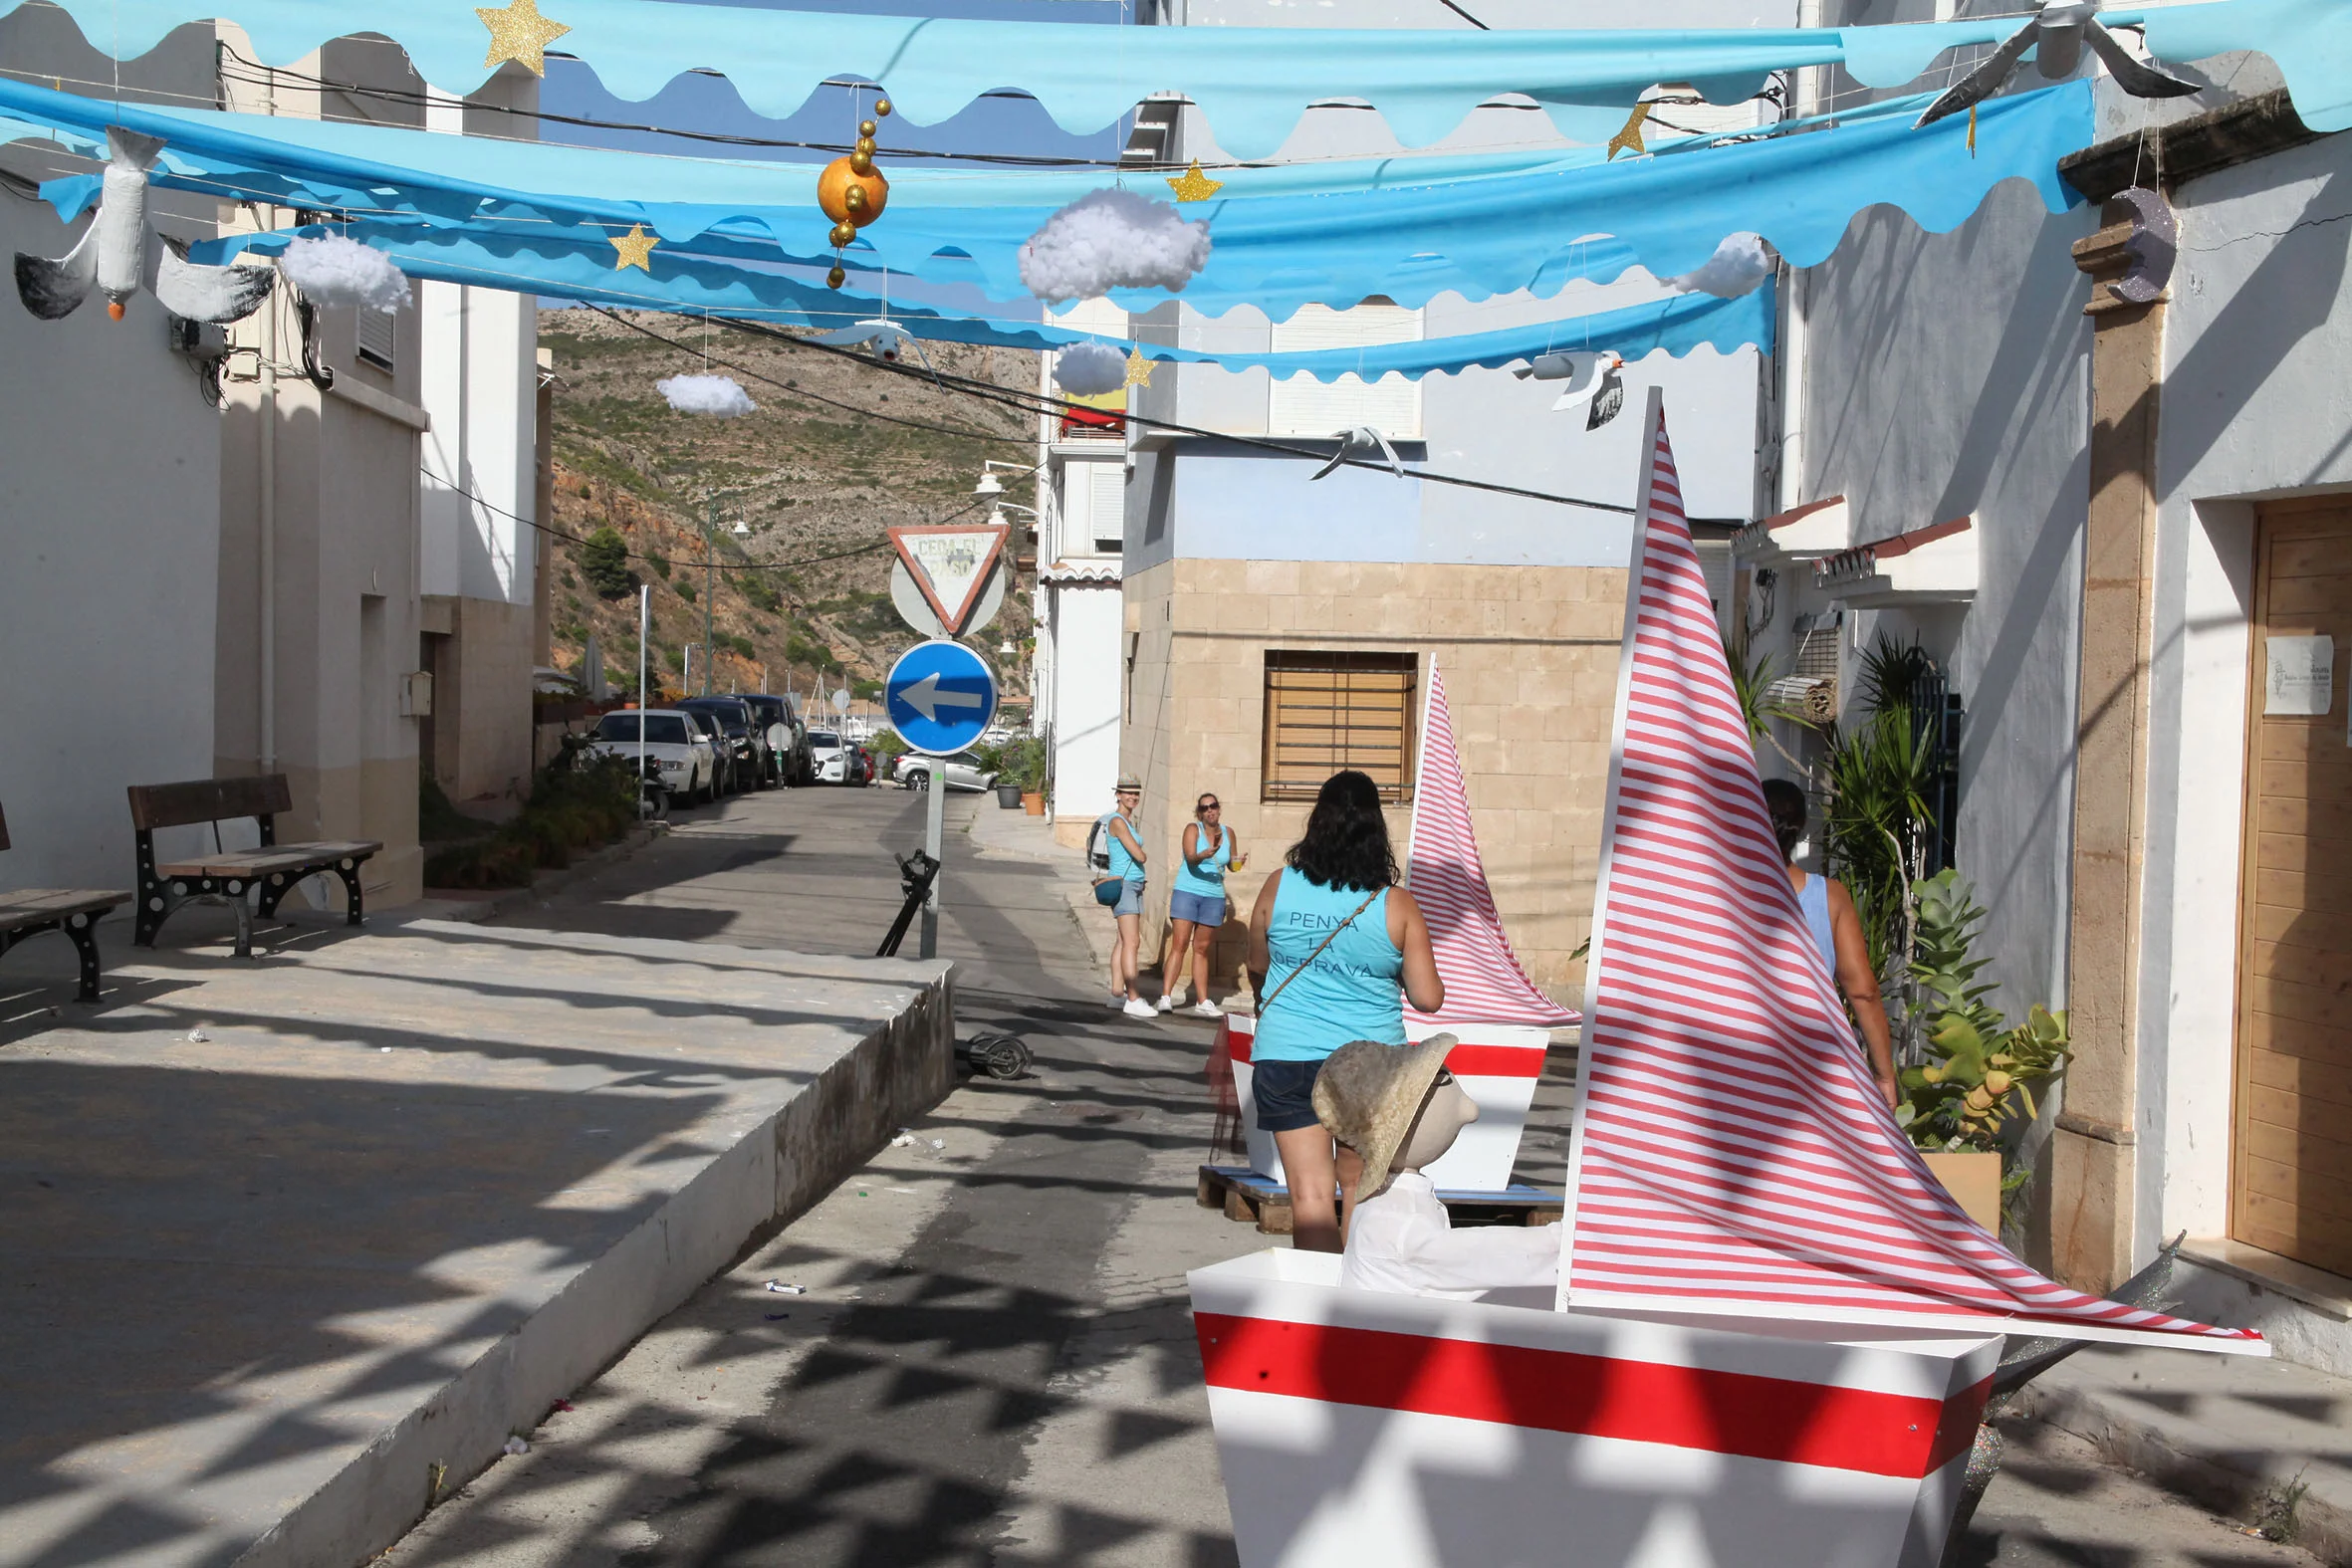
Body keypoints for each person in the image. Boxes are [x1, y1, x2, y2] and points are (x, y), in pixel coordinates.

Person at [1244, 769, 1444, 1253]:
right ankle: (1356, 1304)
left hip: (1287, 1053)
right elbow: (1428, 998)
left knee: (1309, 1194)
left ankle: (1318, 1313)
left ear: (1318, 822)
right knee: (1359, 1188)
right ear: (1377, 830)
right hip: (1368, 1061)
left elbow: (1255, 964)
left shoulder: (1278, 885)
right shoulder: (1396, 904)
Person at [1313, 1035, 1561, 1300]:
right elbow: (1480, 1255)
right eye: (1441, 1080)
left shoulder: (1388, 1201)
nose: (1471, 1110)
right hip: (1391, 1337)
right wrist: (1563, 1242)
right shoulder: (1398, 1218)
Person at [1761, 779, 1902, 1110]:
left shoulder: (1722, 891)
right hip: (1812, 1066)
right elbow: (1862, 992)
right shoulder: (1830, 897)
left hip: (1735, 1059)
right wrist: (1884, 1077)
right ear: (1801, 829)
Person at [1158, 792, 1245, 1017]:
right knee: (1179, 944)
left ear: (1219, 808)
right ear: (1199, 813)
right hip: (1188, 891)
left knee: (1202, 949)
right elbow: (1190, 858)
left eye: (1213, 806)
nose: (1210, 811)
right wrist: (1203, 854)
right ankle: (1165, 997)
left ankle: (1202, 1000)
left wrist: (1239, 863)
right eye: (1205, 808)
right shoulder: (1192, 829)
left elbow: (1231, 866)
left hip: (1214, 895)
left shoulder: (1229, 833)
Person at [1095, 775, 1154, 1019]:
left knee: (1122, 940)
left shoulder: (1127, 820)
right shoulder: (1118, 821)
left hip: (1131, 883)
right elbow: (1139, 855)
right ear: (1118, 794)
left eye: (1136, 793)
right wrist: (1142, 855)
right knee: (1132, 942)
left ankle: (1117, 993)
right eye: (1128, 792)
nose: (1133, 797)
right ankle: (1133, 998)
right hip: (1125, 884)